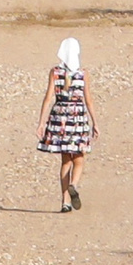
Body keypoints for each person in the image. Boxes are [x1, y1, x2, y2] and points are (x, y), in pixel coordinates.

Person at [34, 37, 99, 211]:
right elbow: (89, 100)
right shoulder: (83, 74)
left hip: (60, 118)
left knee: (65, 161)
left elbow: (48, 98)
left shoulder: (55, 72)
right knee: (79, 158)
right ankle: (74, 185)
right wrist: (95, 122)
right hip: (77, 118)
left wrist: (41, 123)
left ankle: (65, 202)